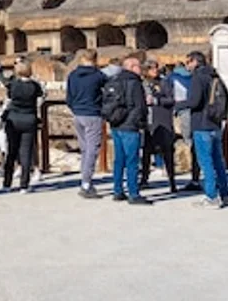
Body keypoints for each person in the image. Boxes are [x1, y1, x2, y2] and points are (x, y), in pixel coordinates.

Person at [175, 51, 228, 208]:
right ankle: (225, 195)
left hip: (201, 123)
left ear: (194, 61)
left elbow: (194, 102)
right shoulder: (215, 76)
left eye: (188, 62)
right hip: (215, 123)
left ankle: (211, 196)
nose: (187, 66)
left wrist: (178, 104)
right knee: (218, 162)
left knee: (205, 162)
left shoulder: (198, 77)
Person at [107, 57, 151, 205]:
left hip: (116, 123)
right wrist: (140, 123)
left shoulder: (114, 80)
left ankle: (118, 190)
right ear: (132, 67)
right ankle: (134, 193)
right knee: (132, 160)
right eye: (139, 66)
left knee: (119, 159)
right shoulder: (134, 82)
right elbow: (140, 106)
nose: (141, 69)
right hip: (130, 126)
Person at [66, 49, 107, 199]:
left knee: (85, 149)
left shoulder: (72, 75)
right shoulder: (98, 76)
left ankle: (85, 180)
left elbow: (69, 97)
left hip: (78, 114)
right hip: (93, 113)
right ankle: (86, 183)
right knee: (92, 149)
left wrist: (75, 108)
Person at [2, 59, 44, 193]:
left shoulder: (13, 85)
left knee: (11, 152)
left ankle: (7, 183)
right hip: (29, 119)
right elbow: (42, 95)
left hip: (13, 119)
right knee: (26, 153)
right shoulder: (34, 86)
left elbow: (8, 98)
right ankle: (24, 185)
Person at [140, 59, 176, 194]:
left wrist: (156, 101)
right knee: (146, 152)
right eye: (152, 68)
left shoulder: (164, 82)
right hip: (147, 122)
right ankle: (144, 179)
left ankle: (172, 181)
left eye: (156, 68)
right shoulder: (141, 83)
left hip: (162, 120)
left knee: (167, 152)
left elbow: (171, 99)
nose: (155, 70)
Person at [170, 63, 201, 191]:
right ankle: (196, 176)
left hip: (180, 110)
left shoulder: (172, 78)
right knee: (196, 144)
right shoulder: (195, 78)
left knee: (186, 141)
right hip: (196, 112)